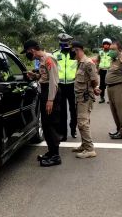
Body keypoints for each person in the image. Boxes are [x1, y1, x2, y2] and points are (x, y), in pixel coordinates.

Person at [21, 39, 62, 167]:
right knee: (45, 124)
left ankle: (56, 156)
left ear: (32, 50)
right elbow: (45, 77)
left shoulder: (49, 59)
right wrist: (35, 76)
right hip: (45, 91)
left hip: (51, 93)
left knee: (51, 124)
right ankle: (51, 152)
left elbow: (54, 81)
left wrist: (50, 100)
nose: (28, 55)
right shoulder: (42, 60)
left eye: (27, 52)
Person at [70, 41, 100, 158]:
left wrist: (93, 89)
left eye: (73, 51)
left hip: (85, 96)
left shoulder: (88, 63)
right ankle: (84, 144)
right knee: (83, 121)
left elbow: (94, 80)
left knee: (82, 122)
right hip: (80, 96)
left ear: (77, 50)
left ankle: (89, 149)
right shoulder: (80, 63)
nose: (72, 53)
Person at [53, 33, 78, 141]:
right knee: (62, 110)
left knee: (73, 109)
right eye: (62, 44)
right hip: (60, 85)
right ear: (59, 44)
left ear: (69, 43)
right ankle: (63, 133)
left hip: (72, 85)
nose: (64, 45)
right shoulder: (55, 54)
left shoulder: (74, 54)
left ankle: (73, 130)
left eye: (66, 43)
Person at [96, 38, 112, 104]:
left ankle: (110, 99)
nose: (106, 45)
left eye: (107, 44)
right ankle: (102, 98)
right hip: (102, 70)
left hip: (109, 71)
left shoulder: (112, 52)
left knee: (109, 85)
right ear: (103, 45)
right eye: (104, 44)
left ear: (109, 45)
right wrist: (97, 68)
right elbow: (98, 60)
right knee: (102, 85)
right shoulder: (100, 52)